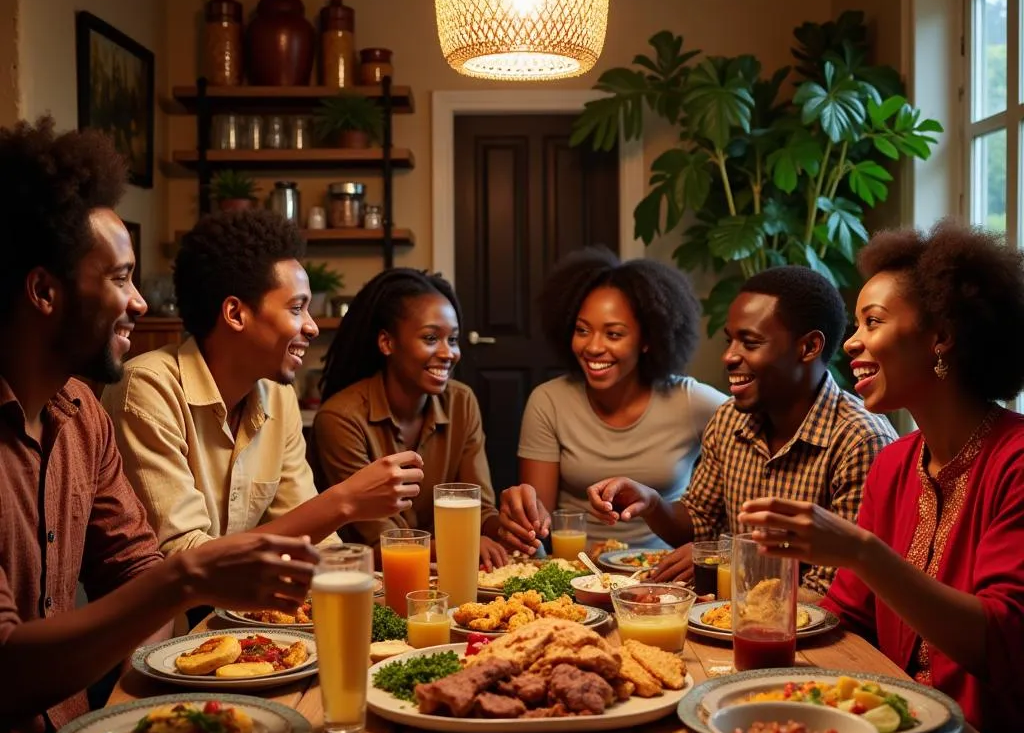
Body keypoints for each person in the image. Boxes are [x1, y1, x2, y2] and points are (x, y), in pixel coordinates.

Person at [0, 117, 317, 733]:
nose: (141, 304)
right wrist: (187, 578)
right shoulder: (135, 391)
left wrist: (185, 714)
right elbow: (6, 674)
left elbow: (136, 573)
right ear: (45, 292)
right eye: (119, 277)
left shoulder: (82, 417)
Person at [738, 222, 1024, 733]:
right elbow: (846, 616)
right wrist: (733, 619)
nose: (851, 342)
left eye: (873, 322)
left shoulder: (1016, 462)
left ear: (941, 336)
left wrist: (863, 552)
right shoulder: (894, 463)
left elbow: (1003, 641)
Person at [102, 210, 424, 558]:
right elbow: (183, 555)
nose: (312, 327)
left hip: (256, 610)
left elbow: (311, 535)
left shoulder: (278, 396)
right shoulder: (147, 389)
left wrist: (357, 579)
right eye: (297, 308)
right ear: (236, 314)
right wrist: (343, 502)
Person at [587, 265, 895, 595]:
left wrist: (727, 561)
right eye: (730, 340)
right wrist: (651, 503)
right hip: (737, 620)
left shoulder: (860, 440)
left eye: (749, 342)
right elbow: (699, 522)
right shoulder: (729, 419)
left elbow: (833, 591)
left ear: (808, 347)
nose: (729, 356)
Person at [498, 247, 727, 553]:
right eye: (582, 330)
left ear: (647, 340)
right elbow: (539, 525)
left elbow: (757, 438)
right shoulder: (549, 401)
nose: (593, 347)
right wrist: (524, 519)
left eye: (614, 334)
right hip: (575, 571)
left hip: (663, 578)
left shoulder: (691, 401)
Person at [313, 268, 507, 567]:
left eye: (452, 339)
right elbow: (381, 542)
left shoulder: (461, 402)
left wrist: (510, 525)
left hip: (448, 574)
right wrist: (462, 543)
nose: (448, 353)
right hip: (368, 586)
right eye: (431, 338)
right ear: (387, 343)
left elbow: (479, 511)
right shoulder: (341, 418)